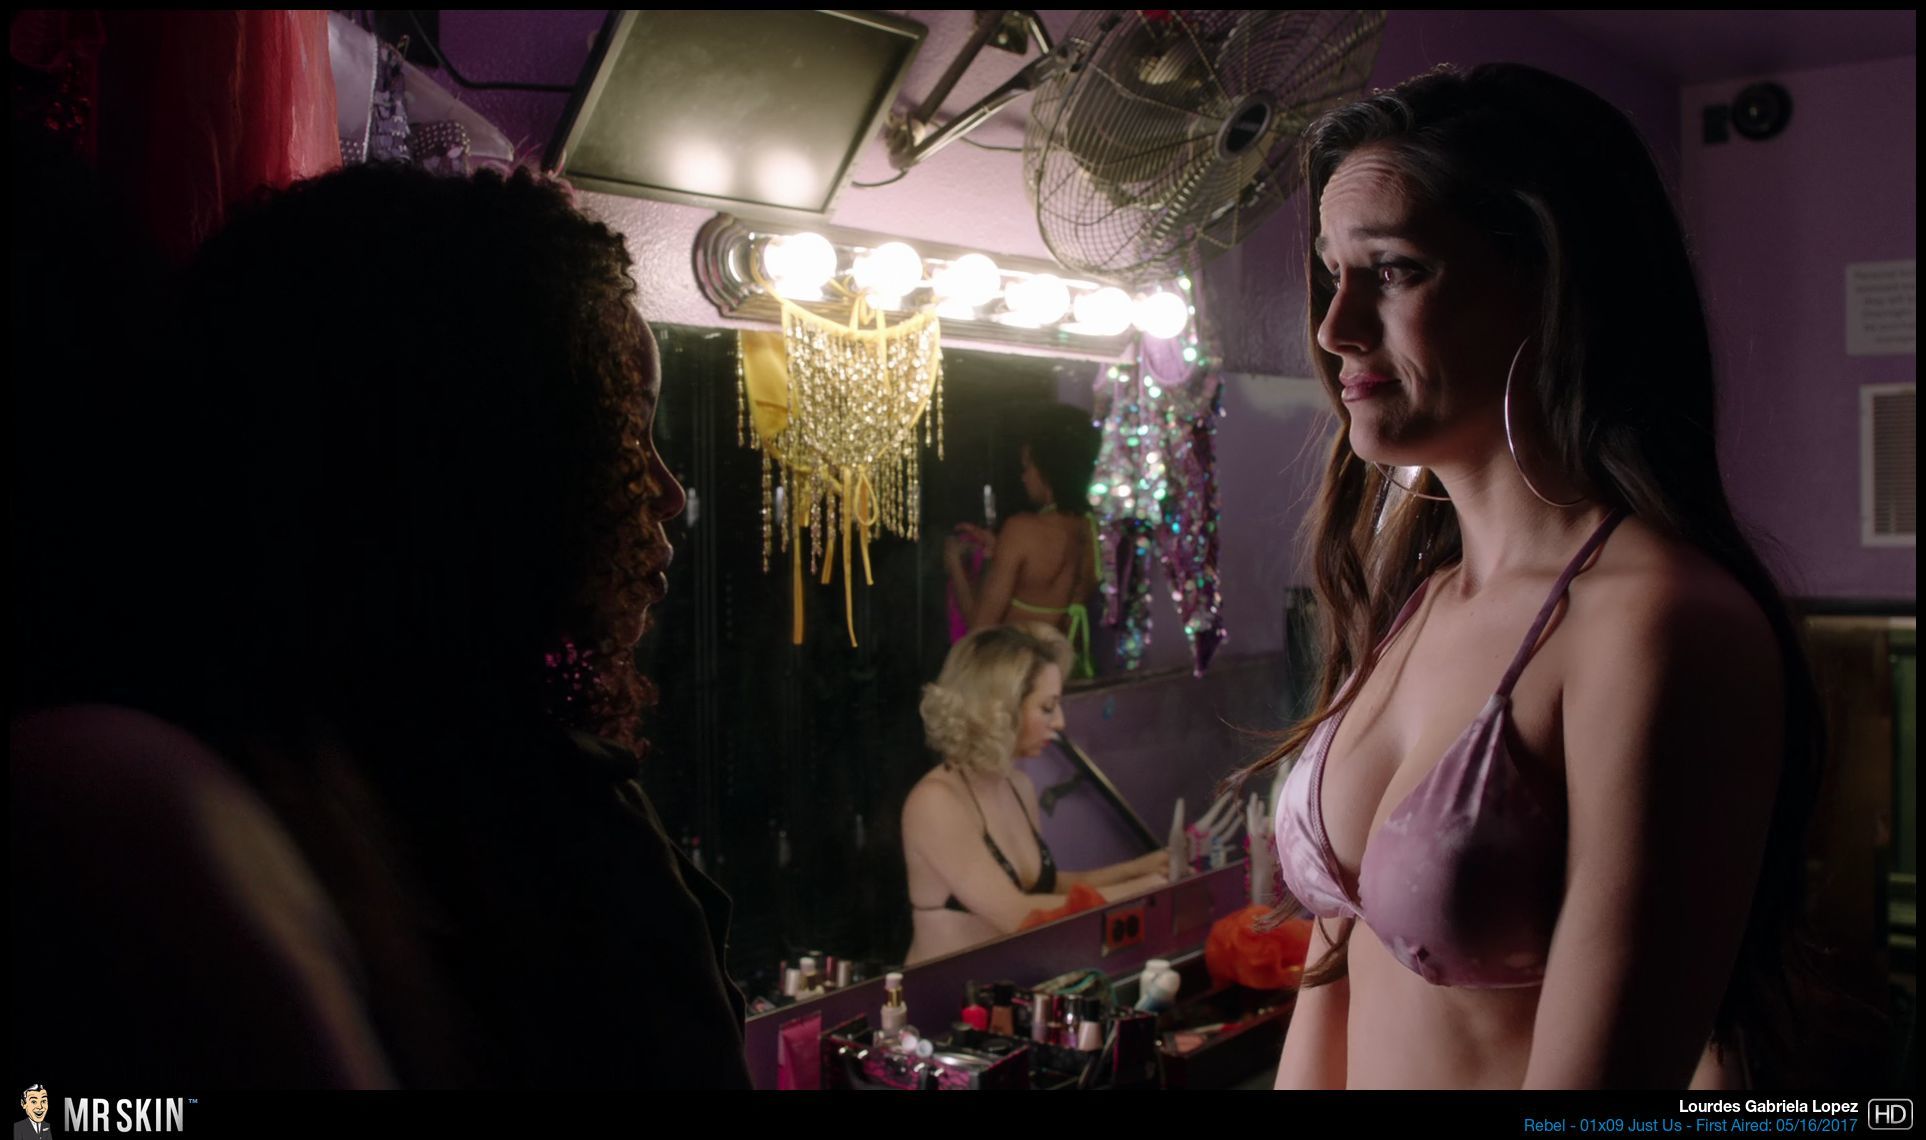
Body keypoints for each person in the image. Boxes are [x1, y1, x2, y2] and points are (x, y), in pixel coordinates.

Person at [9, 163, 752, 1088]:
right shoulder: (533, 828)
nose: (669, 493)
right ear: (483, 460)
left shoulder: (314, 771)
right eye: (622, 435)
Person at [1244, 63, 1825, 1088]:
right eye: (1334, 274)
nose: (1335, 328)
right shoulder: (1415, 604)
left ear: (1550, 290)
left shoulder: (1657, 623)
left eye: (1395, 270)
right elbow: (1331, 992)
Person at [903, 624, 1167, 963]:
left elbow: (1045, 887)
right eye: (1047, 707)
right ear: (1001, 709)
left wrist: (1140, 869)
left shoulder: (1018, 785)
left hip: (1010, 983)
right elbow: (1016, 914)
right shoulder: (936, 802)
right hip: (945, 992)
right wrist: (1140, 889)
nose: (1059, 722)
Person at [945, 405, 1104, 677]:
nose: (1024, 476)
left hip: (1023, 682)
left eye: (1027, 466)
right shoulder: (1092, 528)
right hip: (1072, 677)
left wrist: (955, 566)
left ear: (1047, 469)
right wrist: (1000, 549)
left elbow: (979, 631)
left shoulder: (1022, 529)